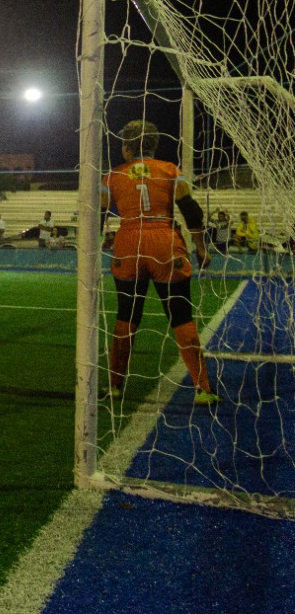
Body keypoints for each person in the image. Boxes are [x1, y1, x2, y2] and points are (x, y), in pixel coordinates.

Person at [102, 120, 217, 405]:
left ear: (127, 147)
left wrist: (94, 249)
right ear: (154, 145)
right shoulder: (170, 170)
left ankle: (115, 385)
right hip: (164, 241)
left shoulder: (112, 176)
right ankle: (203, 388)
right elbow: (190, 210)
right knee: (180, 315)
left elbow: (99, 214)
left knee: (126, 315)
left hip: (129, 241)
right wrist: (201, 248)